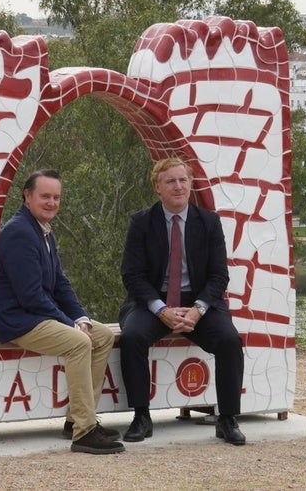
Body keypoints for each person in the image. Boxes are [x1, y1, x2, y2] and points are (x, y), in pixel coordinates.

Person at [0, 169, 125, 455]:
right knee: (79, 342)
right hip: (18, 320)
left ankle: (77, 418)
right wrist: (71, 327)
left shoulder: (43, 231)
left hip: (36, 314)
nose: (52, 202)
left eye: (56, 197)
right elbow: (31, 297)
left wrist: (82, 319)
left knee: (100, 335)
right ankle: (84, 432)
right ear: (27, 197)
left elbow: (60, 283)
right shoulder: (18, 232)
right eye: (45, 196)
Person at [118, 157, 246, 445]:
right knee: (132, 337)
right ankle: (141, 415)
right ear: (157, 188)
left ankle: (227, 418)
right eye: (170, 181)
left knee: (229, 340)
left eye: (183, 180)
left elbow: (219, 276)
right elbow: (132, 276)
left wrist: (199, 310)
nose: (178, 186)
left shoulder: (209, 222)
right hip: (153, 302)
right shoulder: (141, 223)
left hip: (198, 303)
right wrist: (161, 310)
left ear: (190, 185)